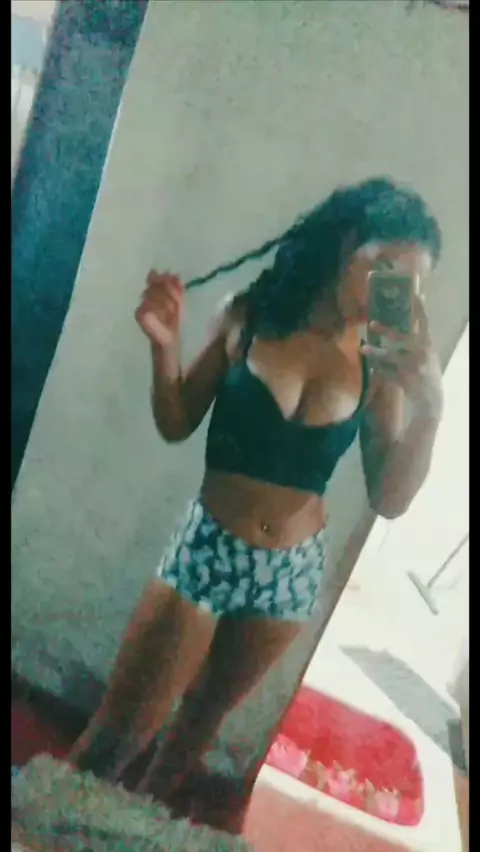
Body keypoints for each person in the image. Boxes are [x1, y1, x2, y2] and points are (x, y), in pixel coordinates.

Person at [69, 177, 444, 803]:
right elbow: (177, 420)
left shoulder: (380, 363)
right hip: (209, 551)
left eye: (408, 286)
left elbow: (389, 500)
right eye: (384, 271)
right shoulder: (250, 315)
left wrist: (430, 408)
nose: (391, 296)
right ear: (347, 245)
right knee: (111, 742)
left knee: (186, 747)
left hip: (291, 575)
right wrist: (165, 350)